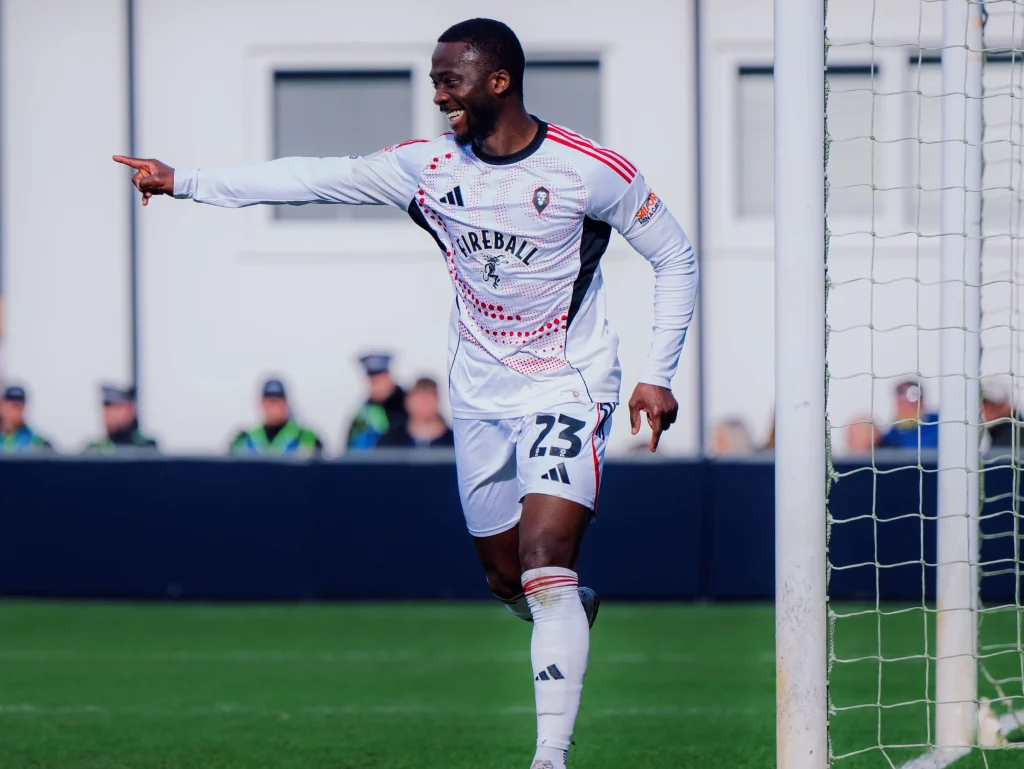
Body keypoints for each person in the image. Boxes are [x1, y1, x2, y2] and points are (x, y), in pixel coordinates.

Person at [113, 18, 698, 769]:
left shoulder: (590, 171)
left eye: (448, 80)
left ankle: (549, 754)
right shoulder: (425, 167)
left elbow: (675, 256)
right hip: (478, 395)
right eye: (433, 80)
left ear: (499, 81)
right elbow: (311, 176)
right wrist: (183, 179)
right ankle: (562, 608)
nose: (436, 95)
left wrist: (658, 371)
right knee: (503, 573)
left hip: (566, 382)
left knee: (546, 552)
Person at [230, 377, 324, 457]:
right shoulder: (243, 439)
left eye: (277, 401)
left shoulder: (307, 438)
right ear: (261, 403)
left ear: (286, 403)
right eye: (269, 401)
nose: (273, 407)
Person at [346, 353, 408, 451]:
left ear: (389, 378)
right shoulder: (364, 413)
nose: (375, 387)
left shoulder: (409, 406)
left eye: (379, 380)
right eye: (372, 381)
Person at [377, 377, 455, 448]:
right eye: (420, 397)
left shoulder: (454, 442)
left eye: (429, 397)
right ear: (407, 401)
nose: (424, 403)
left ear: (438, 400)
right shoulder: (390, 441)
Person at [84, 385, 158, 454]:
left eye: (116, 409)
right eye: (106, 411)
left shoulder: (146, 447)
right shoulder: (95, 449)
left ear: (131, 410)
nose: (108, 416)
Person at [879, 379, 938, 449]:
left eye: (910, 401)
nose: (905, 407)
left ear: (921, 402)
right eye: (901, 403)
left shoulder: (939, 426)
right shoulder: (891, 437)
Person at [0, 385, 52, 453]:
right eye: (14, 406)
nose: (17, 411)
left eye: (21, 407)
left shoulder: (39, 442)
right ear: (1, 407)